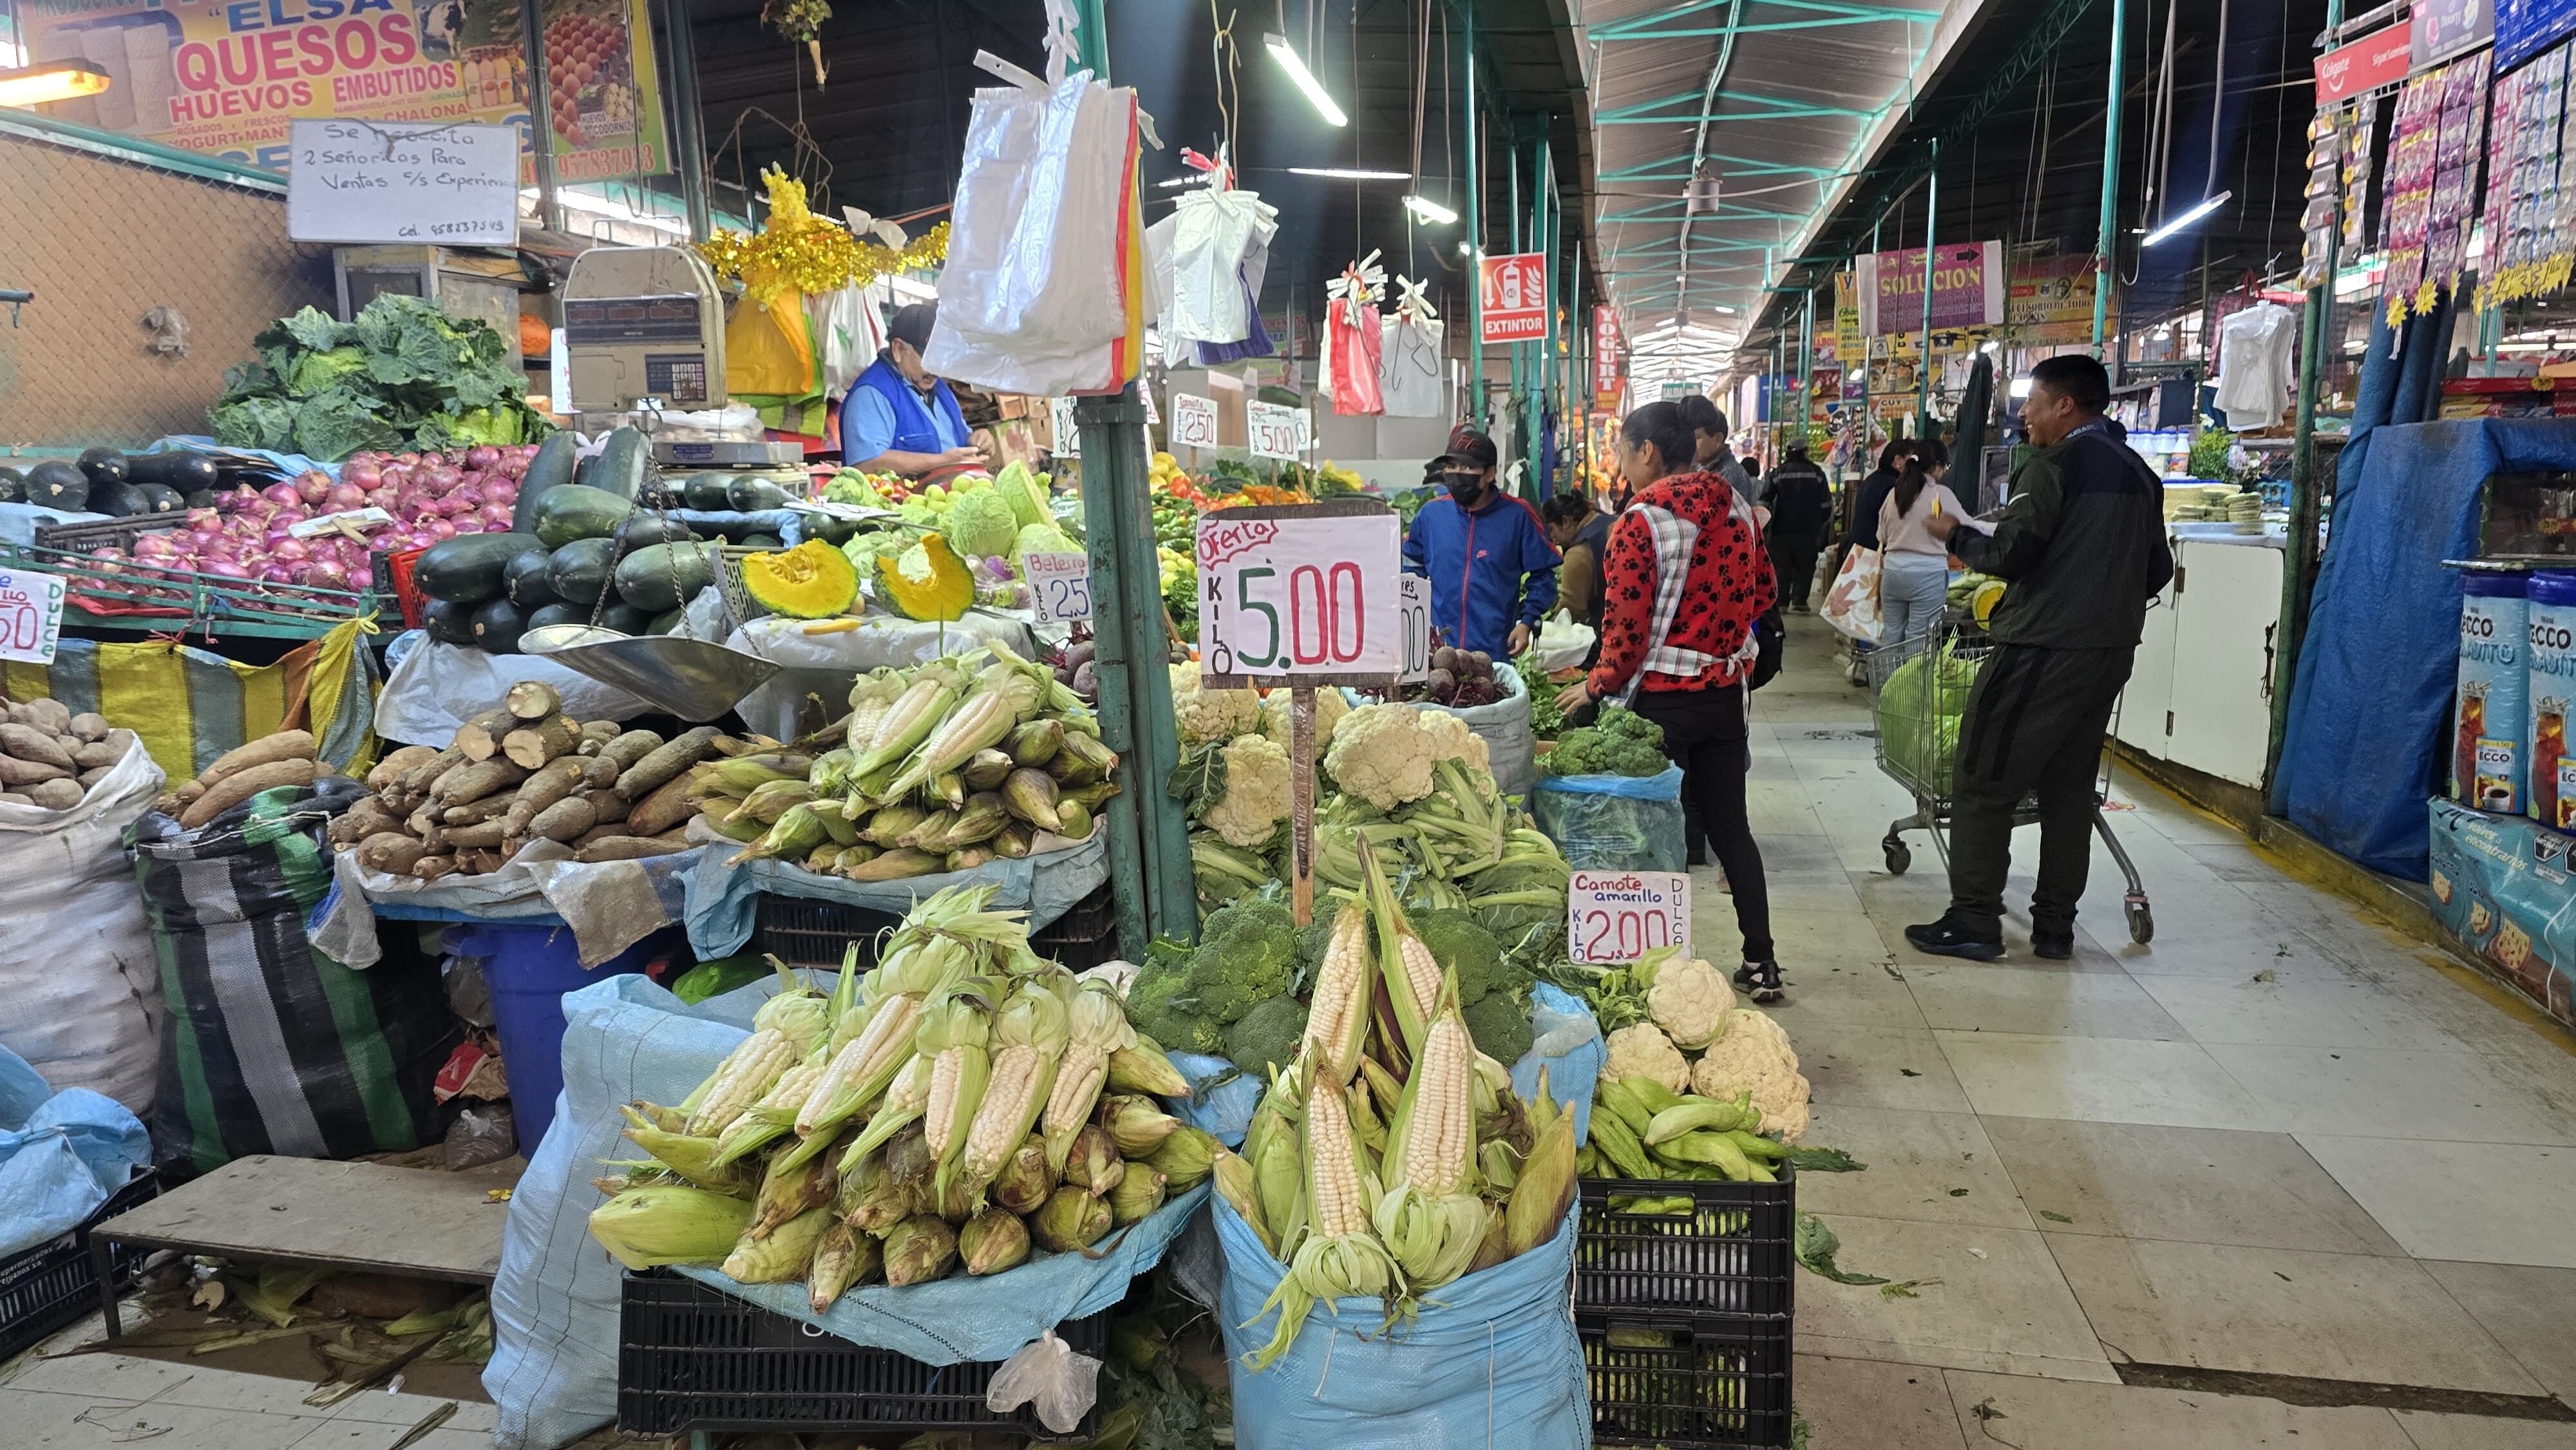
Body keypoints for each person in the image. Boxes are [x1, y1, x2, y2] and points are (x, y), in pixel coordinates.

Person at [1904, 354, 2175, 961]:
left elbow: (2014, 552)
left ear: (2065, 405)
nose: (2023, 415)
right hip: (2108, 654)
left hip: (2041, 650)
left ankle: (1974, 920)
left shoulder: (2054, 465)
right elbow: (2160, 568)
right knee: (2069, 791)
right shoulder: (2139, 474)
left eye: (2032, 402)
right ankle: (2054, 927)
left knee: (1981, 778)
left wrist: (1956, 537)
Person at [1554, 401, 1783, 1001]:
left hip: (1662, 705)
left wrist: (1594, 683)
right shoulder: (1736, 507)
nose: (1621, 466)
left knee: (1649, 838)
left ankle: (1657, 974)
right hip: (1723, 697)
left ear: (1647, 451)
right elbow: (1766, 590)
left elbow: (1625, 639)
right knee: (1733, 828)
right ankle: (1761, 961)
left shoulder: (1641, 523)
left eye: (1623, 453)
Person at [1403, 428, 1560, 659]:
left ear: (1489, 474)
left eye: (1467, 467)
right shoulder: (1431, 515)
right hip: (1438, 652)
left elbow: (1544, 577)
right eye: (1451, 467)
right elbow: (1409, 567)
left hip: (1493, 653)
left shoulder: (1517, 516)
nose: (1457, 475)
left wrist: (1526, 622)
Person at [840, 303, 986, 478]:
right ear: (899, 349)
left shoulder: (938, 387)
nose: (936, 369)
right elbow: (866, 463)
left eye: (940, 359)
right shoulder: (871, 393)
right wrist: (942, 462)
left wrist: (976, 439)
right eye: (928, 358)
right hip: (898, 502)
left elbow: (959, 435)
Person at [1875, 442, 1965, 657]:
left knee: (1891, 634)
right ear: (1937, 466)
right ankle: (1911, 689)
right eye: (1946, 467)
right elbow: (1956, 533)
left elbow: (1882, 537)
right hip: (1928, 574)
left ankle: (1888, 687)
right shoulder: (1940, 496)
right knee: (1918, 637)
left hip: (1893, 572)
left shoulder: (1894, 495)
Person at [1763, 443, 1832, 612]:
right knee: (1806, 565)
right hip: (1808, 529)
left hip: (1781, 529)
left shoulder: (1778, 472)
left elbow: (1765, 500)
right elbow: (1826, 503)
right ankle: (1800, 601)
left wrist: (1765, 527)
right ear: (1805, 452)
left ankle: (1782, 603)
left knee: (1782, 566)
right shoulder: (1816, 472)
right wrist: (1821, 522)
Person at [1542, 489, 1614, 648]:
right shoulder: (1611, 521)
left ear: (1566, 522)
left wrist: (1546, 634)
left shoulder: (1578, 553)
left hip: (1610, 634)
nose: (1553, 539)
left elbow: (1572, 610)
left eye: (1552, 529)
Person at [1844, 438, 1917, 551]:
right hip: (1874, 555)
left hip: (1859, 552)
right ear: (1898, 460)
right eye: (1913, 460)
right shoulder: (1893, 486)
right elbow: (1895, 526)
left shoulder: (1873, 479)